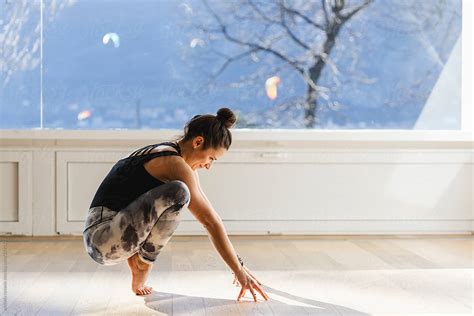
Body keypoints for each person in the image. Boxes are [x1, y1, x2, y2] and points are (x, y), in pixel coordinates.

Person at [82, 107, 269, 302]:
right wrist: (238, 271)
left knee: (180, 191)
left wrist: (238, 263)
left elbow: (212, 216)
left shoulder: (170, 153)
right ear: (198, 142)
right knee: (179, 192)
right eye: (211, 158)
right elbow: (209, 222)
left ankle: (140, 262)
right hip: (101, 240)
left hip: (106, 232)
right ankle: (142, 264)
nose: (208, 166)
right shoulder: (174, 163)